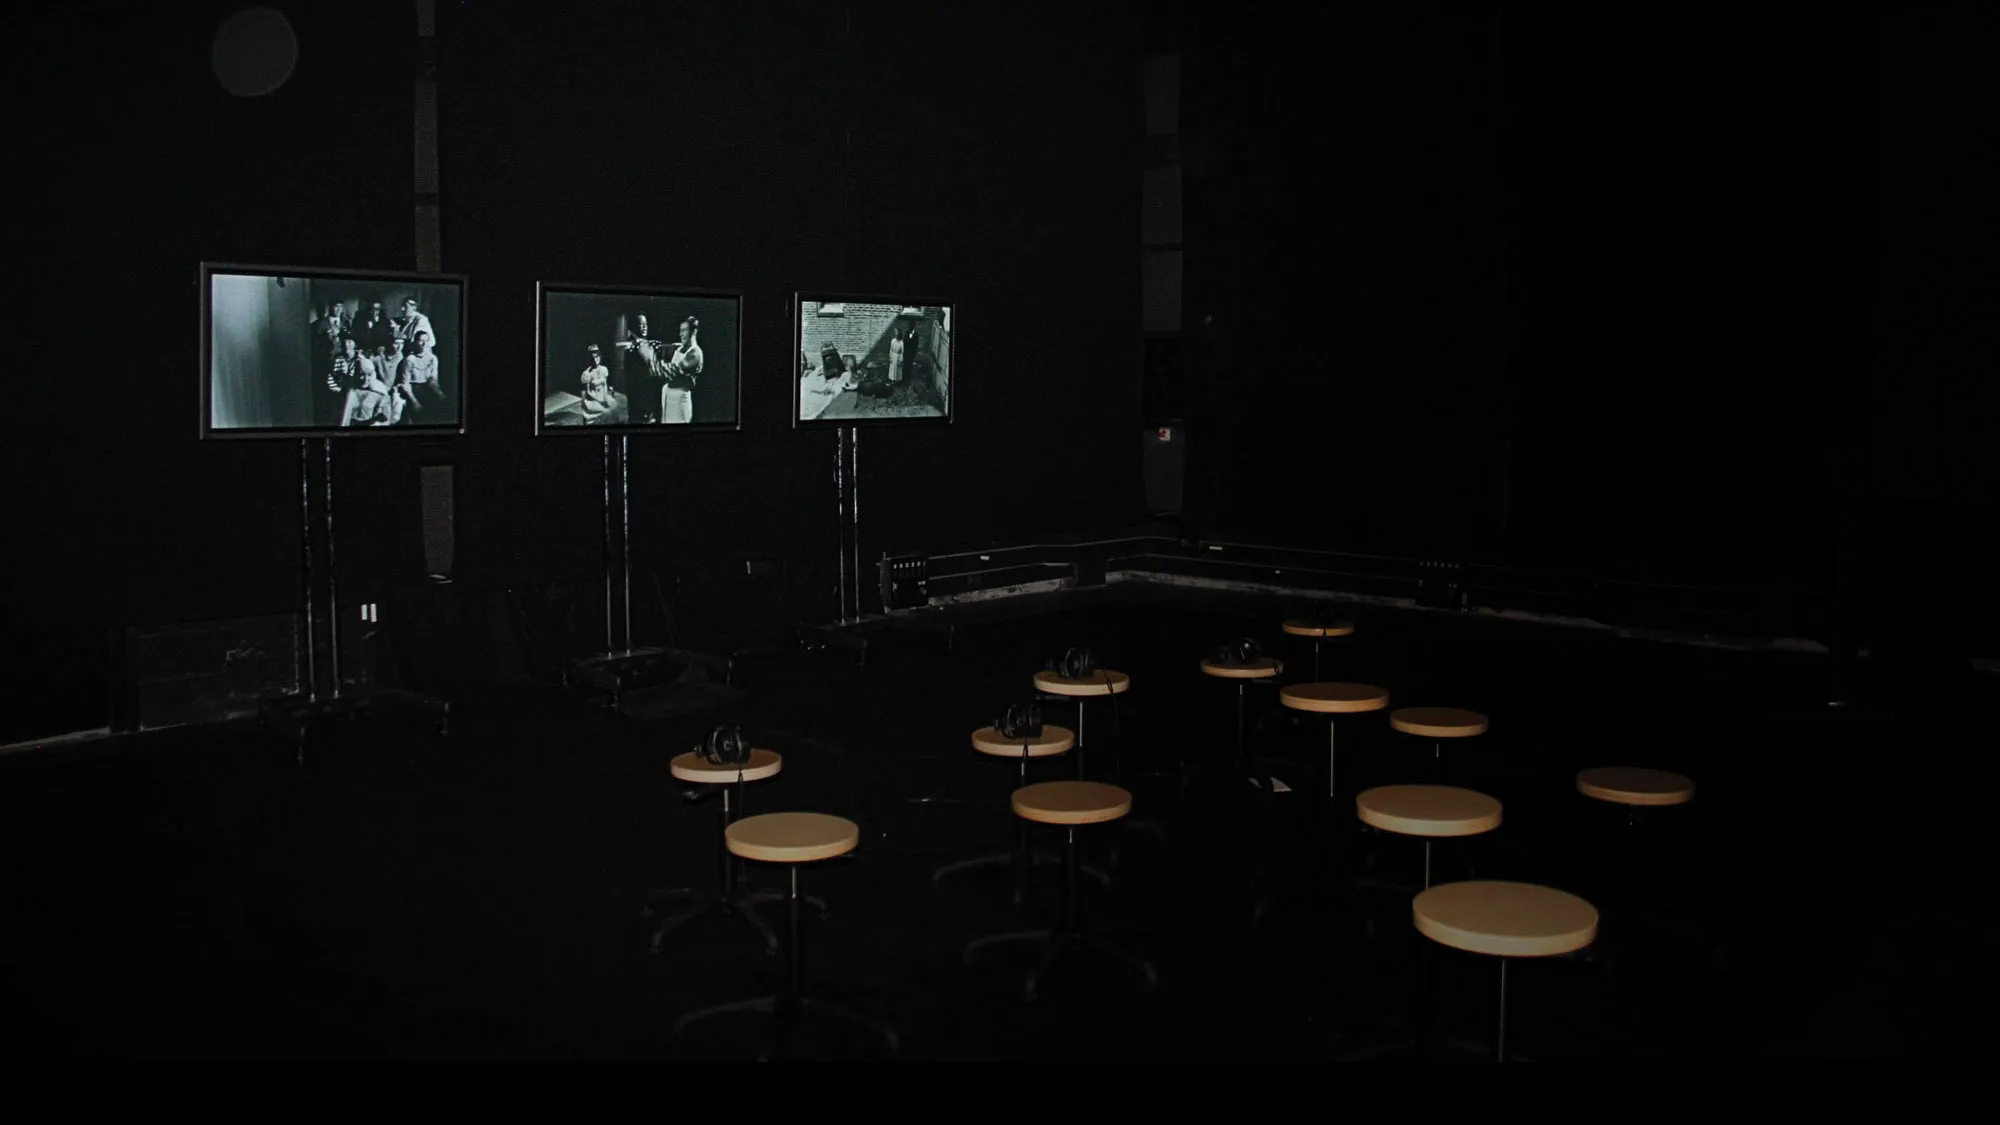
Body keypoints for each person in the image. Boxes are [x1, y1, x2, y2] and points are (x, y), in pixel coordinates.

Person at [616, 313, 662, 423]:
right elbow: (630, 379)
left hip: (651, 392)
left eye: (645, 324)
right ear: (635, 327)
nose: (644, 327)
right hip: (638, 395)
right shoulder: (630, 350)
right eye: (641, 324)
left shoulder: (653, 346)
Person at [660, 315, 703, 424]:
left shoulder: (695, 353)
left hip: (680, 401)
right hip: (669, 400)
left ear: (693, 332)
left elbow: (673, 371)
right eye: (680, 331)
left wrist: (654, 360)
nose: (681, 334)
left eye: (684, 330)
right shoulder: (680, 348)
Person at [396, 328, 443, 416]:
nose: (424, 344)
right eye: (421, 341)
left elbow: (434, 380)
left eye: (426, 341)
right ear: (416, 342)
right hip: (413, 391)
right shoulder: (409, 359)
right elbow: (405, 383)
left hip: (428, 389)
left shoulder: (432, 358)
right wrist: (414, 402)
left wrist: (440, 394)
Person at [578, 344, 619, 422]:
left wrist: (606, 398)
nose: (595, 360)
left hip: (603, 396)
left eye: (597, 357)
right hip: (592, 400)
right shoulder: (587, 374)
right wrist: (600, 401)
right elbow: (587, 393)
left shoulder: (604, 369)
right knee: (607, 412)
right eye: (592, 358)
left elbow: (605, 386)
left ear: (600, 357)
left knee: (614, 406)